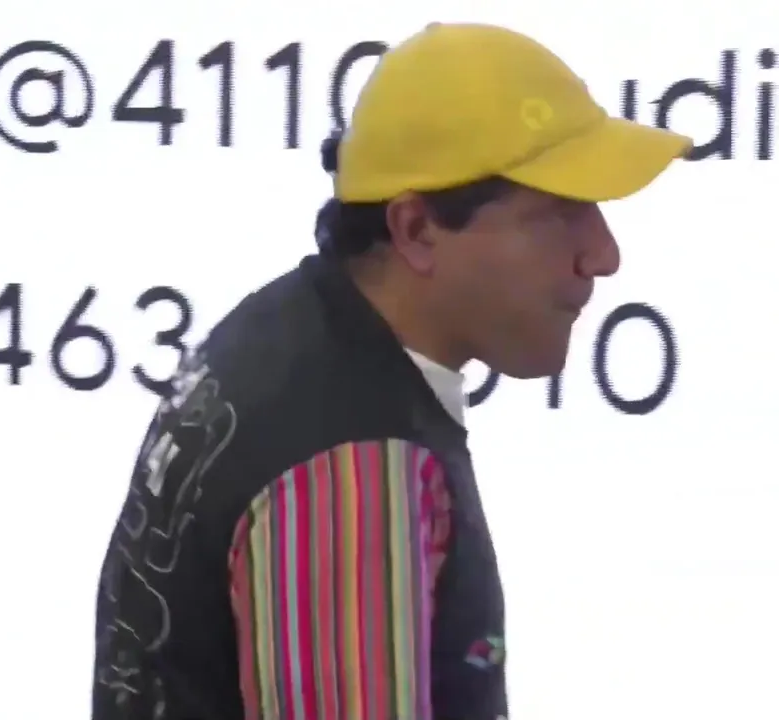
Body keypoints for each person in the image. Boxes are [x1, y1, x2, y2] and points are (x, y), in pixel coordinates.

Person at [92, 22, 689, 720]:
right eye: (559, 213)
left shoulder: (286, 332)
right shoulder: (354, 467)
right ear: (416, 230)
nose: (603, 255)